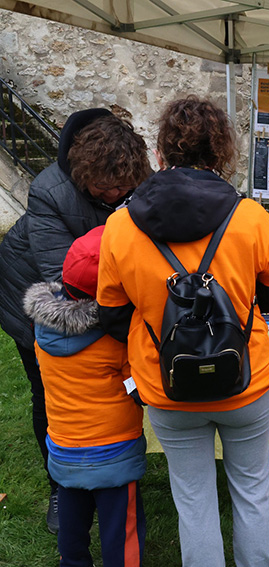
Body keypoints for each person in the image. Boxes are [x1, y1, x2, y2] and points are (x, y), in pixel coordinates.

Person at [97, 96, 269, 567]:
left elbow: (110, 313)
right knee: (252, 489)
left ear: (161, 155)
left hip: (167, 384)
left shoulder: (120, 227)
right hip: (244, 381)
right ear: (221, 154)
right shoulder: (248, 216)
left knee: (192, 499)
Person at [0, 108, 150, 533]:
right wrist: (134, 322)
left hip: (102, 290)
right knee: (49, 391)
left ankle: (114, 467)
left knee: (108, 387)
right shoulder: (49, 190)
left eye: (127, 186)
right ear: (84, 174)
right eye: (108, 188)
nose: (119, 193)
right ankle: (59, 483)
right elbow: (65, 277)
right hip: (37, 296)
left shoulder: (136, 175)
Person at [23, 226, 146, 567]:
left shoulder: (42, 332)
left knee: (73, 519)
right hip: (114, 448)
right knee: (121, 526)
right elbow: (137, 386)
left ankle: (73, 561)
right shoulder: (115, 339)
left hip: (63, 444)